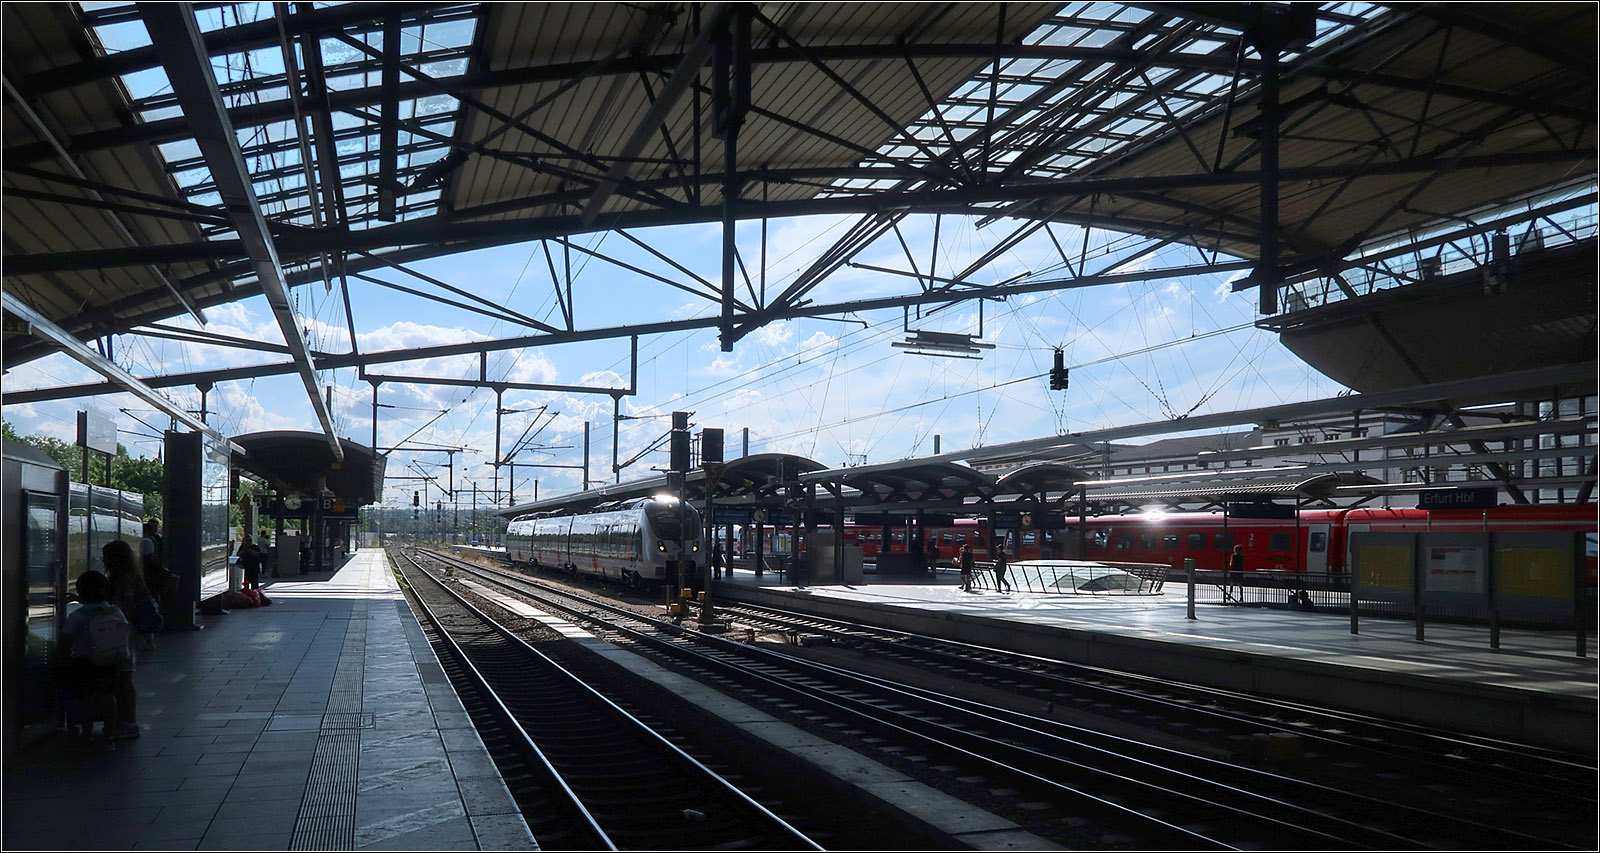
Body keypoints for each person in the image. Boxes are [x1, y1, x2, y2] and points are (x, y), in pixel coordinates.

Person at [61, 570, 130, 750]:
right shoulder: (115, 611)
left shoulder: (78, 616)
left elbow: (66, 640)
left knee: (88, 698)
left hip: (85, 662)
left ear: (81, 592)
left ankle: (87, 734)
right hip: (111, 662)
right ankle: (108, 734)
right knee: (109, 697)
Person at [101, 541, 149, 740]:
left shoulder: (123, 580)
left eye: (105, 557)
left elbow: (126, 607)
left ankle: (127, 722)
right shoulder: (133, 577)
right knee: (123, 677)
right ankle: (124, 721)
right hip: (128, 631)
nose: (103, 560)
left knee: (123, 678)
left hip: (122, 633)